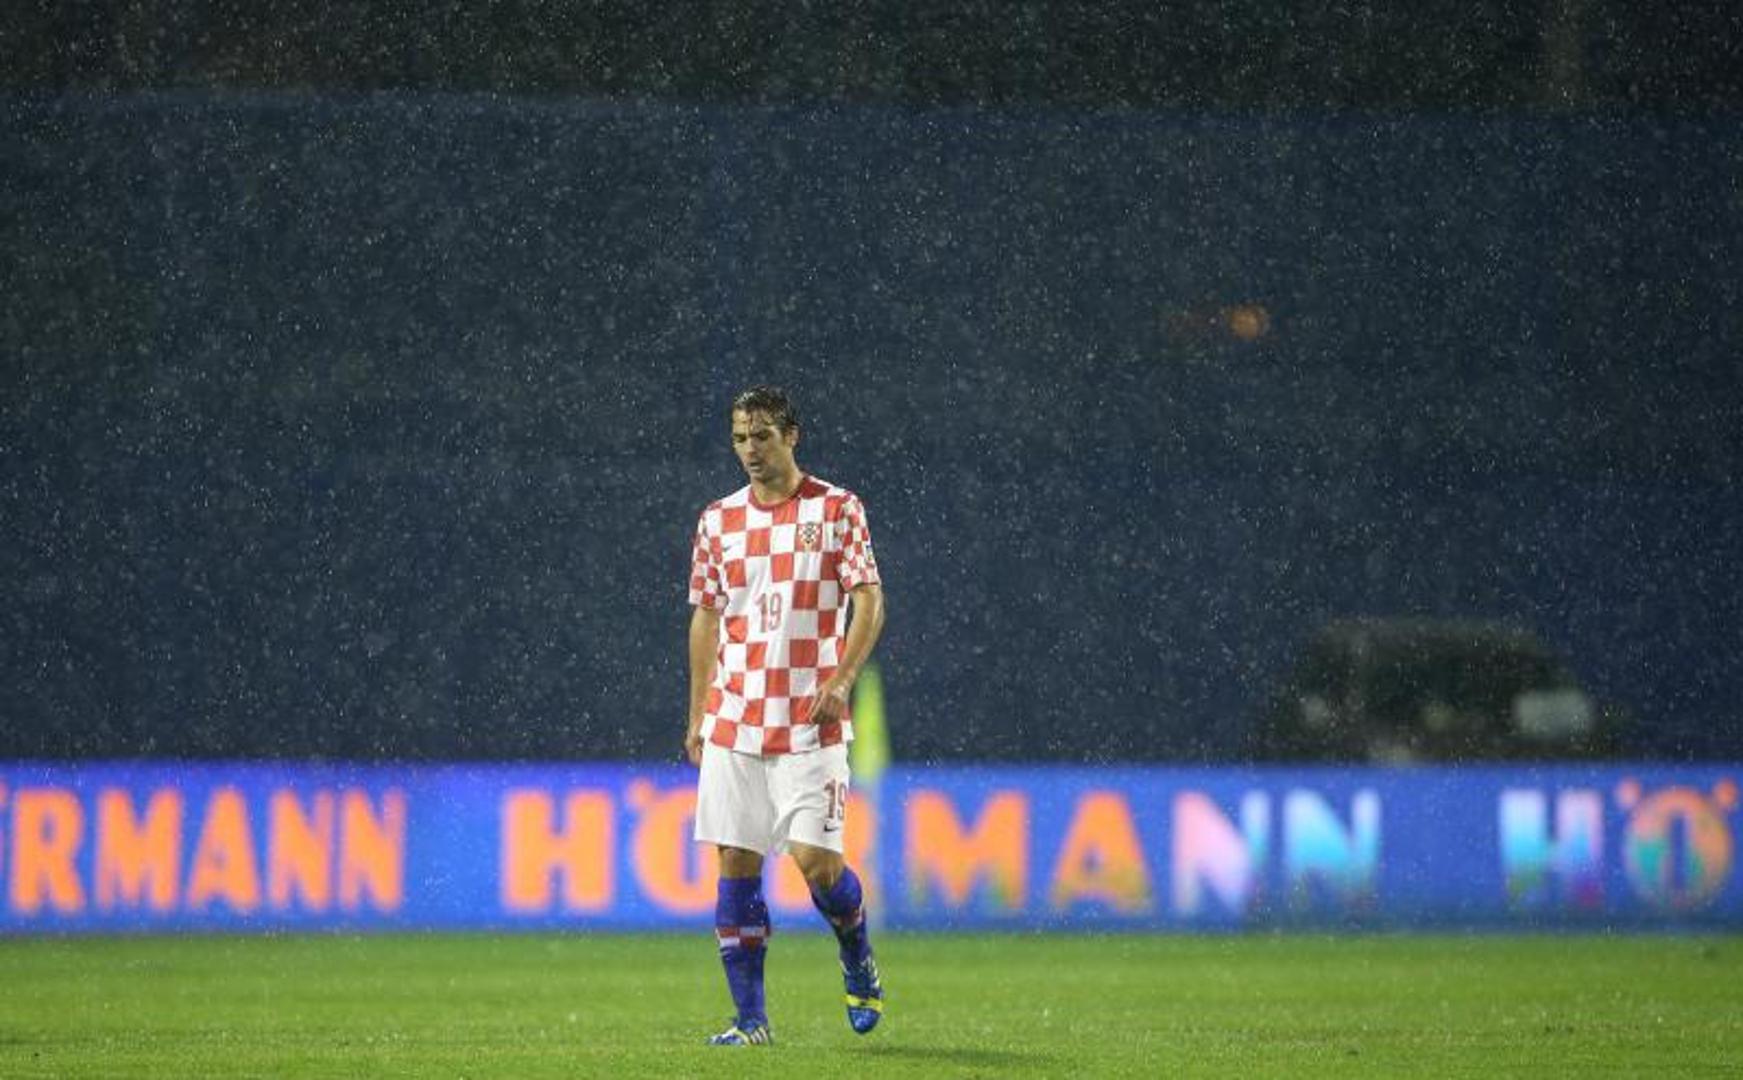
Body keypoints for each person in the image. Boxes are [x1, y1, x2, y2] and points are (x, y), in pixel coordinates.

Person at [685, 386, 888, 1047]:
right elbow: (706, 616)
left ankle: (855, 948)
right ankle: (750, 1021)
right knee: (734, 861)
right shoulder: (717, 519)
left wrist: (842, 679)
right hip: (735, 715)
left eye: (762, 436)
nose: (750, 449)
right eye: (740, 438)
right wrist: (698, 714)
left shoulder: (835, 508)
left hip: (808, 720)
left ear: (791, 436)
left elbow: (868, 599)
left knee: (817, 865)